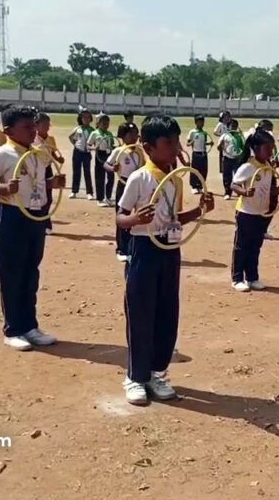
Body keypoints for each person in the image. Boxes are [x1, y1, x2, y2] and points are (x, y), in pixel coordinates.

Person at [116, 115, 215, 405]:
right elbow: (120, 218)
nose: (175, 148)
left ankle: (156, 372)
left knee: (167, 312)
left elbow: (174, 218)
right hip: (144, 249)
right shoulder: (140, 178)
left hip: (170, 251)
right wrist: (135, 218)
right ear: (149, 147)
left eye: (176, 141)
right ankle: (135, 376)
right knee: (141, 312)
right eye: (168, 143)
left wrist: (198, 211)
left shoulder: (176, 179)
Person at [0, 106, 66, 351]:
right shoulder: (3, 154)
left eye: (33, 126)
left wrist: (52, 183)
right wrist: (4, 189)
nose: (32, 131)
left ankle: (30, 326)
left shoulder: (37, 154)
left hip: (35, 216)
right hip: (13, 216)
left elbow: (35, 182)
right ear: (9, 131)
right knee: (12, 274)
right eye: (26, 127)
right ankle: (13, 329)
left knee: (30, 272)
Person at [230, 131, 279, 292]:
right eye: (268, 148)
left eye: (272, 149)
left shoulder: (268, 167)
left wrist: (277, 191)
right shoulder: (248, 167)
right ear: (256, 148)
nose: (271, 152)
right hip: (246, 212)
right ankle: (237, 278)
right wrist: (244, 192)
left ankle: (252, 277)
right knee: (242, 246)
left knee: (255, 246)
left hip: (261, 212)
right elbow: (234, 185)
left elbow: (266, 189)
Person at [106, 123, 143, 261]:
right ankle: (121, 249)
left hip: (138, 185)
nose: (135, 137)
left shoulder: (139, 151)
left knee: (139, 215)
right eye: (131, 133)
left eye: (136, 133)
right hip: (124, 184)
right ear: (123, 136)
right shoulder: (119, 151)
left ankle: (134, 247)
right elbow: (107, 164)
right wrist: (113, 168)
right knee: (123, 215)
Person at [34, 112, 64, 234]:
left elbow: (52, 153)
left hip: (47, 169)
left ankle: (46, 222)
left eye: (48, 125)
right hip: (35, 170)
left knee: (48, 198)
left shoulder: (50, 139)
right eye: (44, 124)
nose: (47, 127)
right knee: (36, 197)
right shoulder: (32, 139)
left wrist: (58, 159)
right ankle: (36, 222)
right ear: (36, 125)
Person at [88, 113, 117, 208]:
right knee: (100, 177)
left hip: (109, 155)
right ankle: (100, 199)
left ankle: (108, 197)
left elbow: (112, 145)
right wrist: (93, 148)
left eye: (107, 123)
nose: (106, 125)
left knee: (110, 177)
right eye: (103, 123)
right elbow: (88, 145)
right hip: (100, 155)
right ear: (98, 123)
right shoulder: (95, 133)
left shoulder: (109, 134)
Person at [68, 111, 95, 200]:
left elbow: (95, 141)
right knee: (76, 172)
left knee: (87, 172)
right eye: (84, 118)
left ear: (90, 119)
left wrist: (91, 147)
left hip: (87, 153)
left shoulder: (92, 130)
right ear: (80, 119)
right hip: (77, 152)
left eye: (88, 118)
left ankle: (89, 192)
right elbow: (70, 137)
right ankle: (74, 191)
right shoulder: (77, 129)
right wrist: (75, 145)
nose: (86, 120)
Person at [218, 119, 244, 200]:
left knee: (238, 176)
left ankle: (239, 192)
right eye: (232, 126)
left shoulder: (239, 136)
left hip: (236, 159)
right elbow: (219, 148)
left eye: (235, 126)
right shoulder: (224, 136)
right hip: (227, 158)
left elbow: (242, 147)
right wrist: (221, 145)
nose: (233, 128)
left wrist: (240, 156)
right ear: (228, 127)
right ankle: (227, 192)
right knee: (227, 176)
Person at [186, 115, 212, 195]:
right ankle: (194, 187)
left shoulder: (204, 133)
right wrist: (191, 142)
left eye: (202, 122)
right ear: (196, 123)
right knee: (195, 170)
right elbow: (187, 143)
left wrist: (209, 143)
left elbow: (204, 143)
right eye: (199, 122)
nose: (201, 123)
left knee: (203, 170)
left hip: (203, 153)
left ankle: (200, 186)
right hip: (196, 153)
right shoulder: (192, 132)